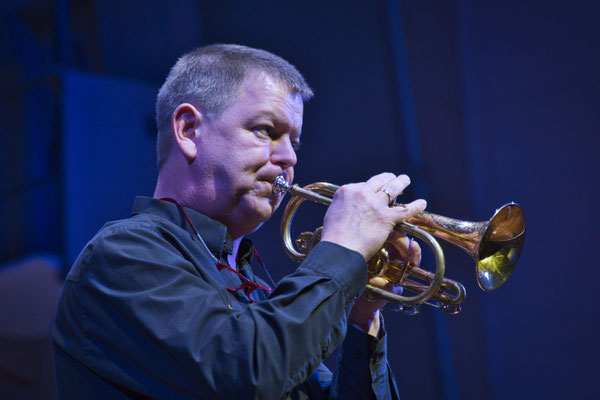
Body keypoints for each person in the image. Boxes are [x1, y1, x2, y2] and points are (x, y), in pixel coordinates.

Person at [50, 44, 426, 399]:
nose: (288, 158)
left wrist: (361, 315)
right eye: (265, 130)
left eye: (294, 142)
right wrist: (341, 251)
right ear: (188, 130)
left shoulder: (257, 290)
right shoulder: (123, 255)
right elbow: (250, 375)